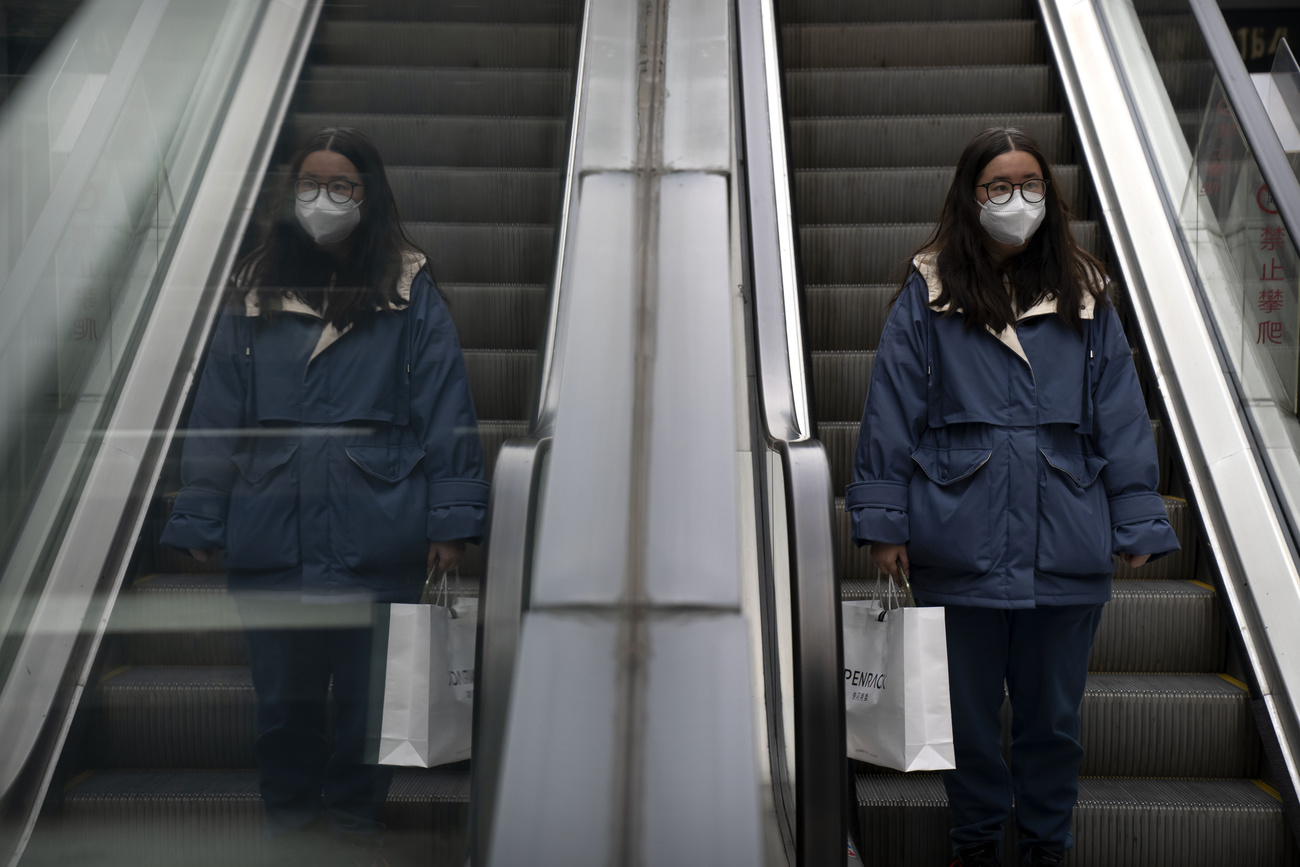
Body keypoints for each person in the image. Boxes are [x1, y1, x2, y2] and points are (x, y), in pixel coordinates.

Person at [846, 127, 1179, 867]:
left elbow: (1120, 414)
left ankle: (1044, 847)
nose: (1016, 199)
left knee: (1053, 722)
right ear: (971, 196)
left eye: (1030, 183)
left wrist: (1135, 517)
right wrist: (884, 521)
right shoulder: (928, 292)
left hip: (1063, 543)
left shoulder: (1087, 293)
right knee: (964, 721)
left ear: (1049, 195)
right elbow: (891, 409)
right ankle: (974, 845)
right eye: (998, 186)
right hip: (956, 539)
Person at [160, 127, 488, 866]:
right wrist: (201, 511)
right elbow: (218, 412)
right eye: (311, 184)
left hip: (379, 529)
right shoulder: (255, 287)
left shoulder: (408, 289)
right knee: (284, 713)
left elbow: (445, 408)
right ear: (290, 194)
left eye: (343, 186)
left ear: (368, 198)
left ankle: (353, 833)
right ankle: (292, 839)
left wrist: (451, 521)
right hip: (273, 531)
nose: (324, 200)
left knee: (371, 714)